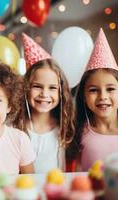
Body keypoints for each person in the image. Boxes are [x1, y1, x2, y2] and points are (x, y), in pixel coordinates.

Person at [69, 28, 118, 171]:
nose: (103, 96)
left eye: (110, 89)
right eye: (93, 90)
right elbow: (75, 172)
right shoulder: (79, 132)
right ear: (83, 95)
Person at [14, 33, 75, 173]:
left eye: (52, 88)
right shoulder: (16, 127)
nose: (44, 94)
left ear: (61, 92)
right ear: (26, 88)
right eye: (37, 86)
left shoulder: (65, 127)